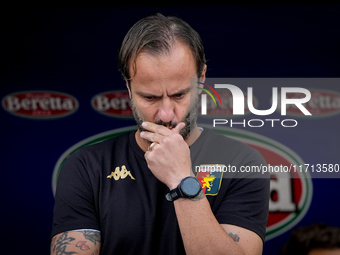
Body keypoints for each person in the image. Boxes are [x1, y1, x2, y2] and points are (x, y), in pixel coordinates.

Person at [51, 13, 269, 255]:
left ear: (202, 78)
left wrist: (181, 180)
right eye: (150, 97)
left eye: (179, 94)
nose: (166, 114)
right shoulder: (87, 166)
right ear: (128, 87)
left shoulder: (243, 163)